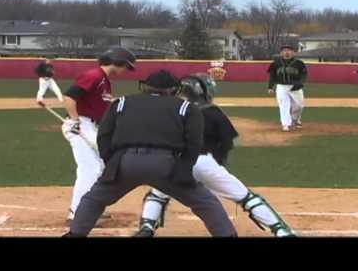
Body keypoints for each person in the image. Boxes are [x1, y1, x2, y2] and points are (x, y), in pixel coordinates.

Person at [63, 70, 237, 237]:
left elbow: (104, 136)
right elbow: (194, 143)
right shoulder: (186, 107)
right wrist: (183, 168)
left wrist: (112, 162)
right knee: (206, 203)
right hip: (166, 164)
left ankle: (75, 233)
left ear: (145, 87)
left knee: (94, 199)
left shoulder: (121, 102)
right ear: (174, 90)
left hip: (125, 161)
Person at [134, 73, 297, 238]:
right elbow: (226, 142)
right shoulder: (211, 111)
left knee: (158, 193)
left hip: (172, 162)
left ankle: (147, 227)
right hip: (204, 161)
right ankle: (281, 231)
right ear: (203, 90)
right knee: (246, 198)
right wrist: (218, 166)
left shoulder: (171, 110)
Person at [61, 47, 136, 222]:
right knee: (90, 168)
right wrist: (74, 121)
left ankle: (90, 207)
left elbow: (101, 105)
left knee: (101, 166)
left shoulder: (104, 80)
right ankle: (78, 213)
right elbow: (69, 97)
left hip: (90, 126)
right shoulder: (94, 76)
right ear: (117, 61)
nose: (127, 71)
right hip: (80, 125)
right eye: (127, 66)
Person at [267, 43, 308, 132]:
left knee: (299, 106)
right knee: (283, 105)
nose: (287, 52)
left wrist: (301, 83)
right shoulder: (276, 63)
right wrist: (270, 87)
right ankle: (286, 124)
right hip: (281, 86)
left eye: (289, 51)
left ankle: (295, 120)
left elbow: (304, 75)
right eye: (284, 51)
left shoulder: (299, 63)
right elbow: (272, 76)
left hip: (295, 87)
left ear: (293, 53)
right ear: (281, 53)